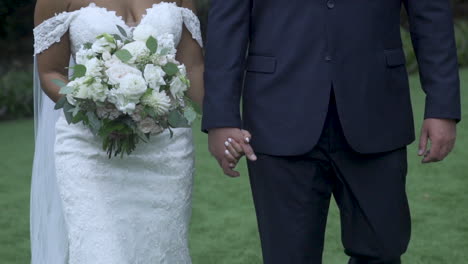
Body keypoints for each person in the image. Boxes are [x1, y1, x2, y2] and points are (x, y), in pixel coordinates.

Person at [203, 0, 461, 263]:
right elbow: (226, 23)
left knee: (383, 250)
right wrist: (220, 117)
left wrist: (442, 106)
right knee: (289, 256)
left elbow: (431, 14)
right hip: (278, 111)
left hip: (376, 107)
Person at [31, 0, 212, 263]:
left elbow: (193, 68)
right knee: (100, 252)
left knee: (162, 251)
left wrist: (222, 122)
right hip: (90, 151)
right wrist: (96, 103)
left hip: (166, 151)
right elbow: (51, 72)